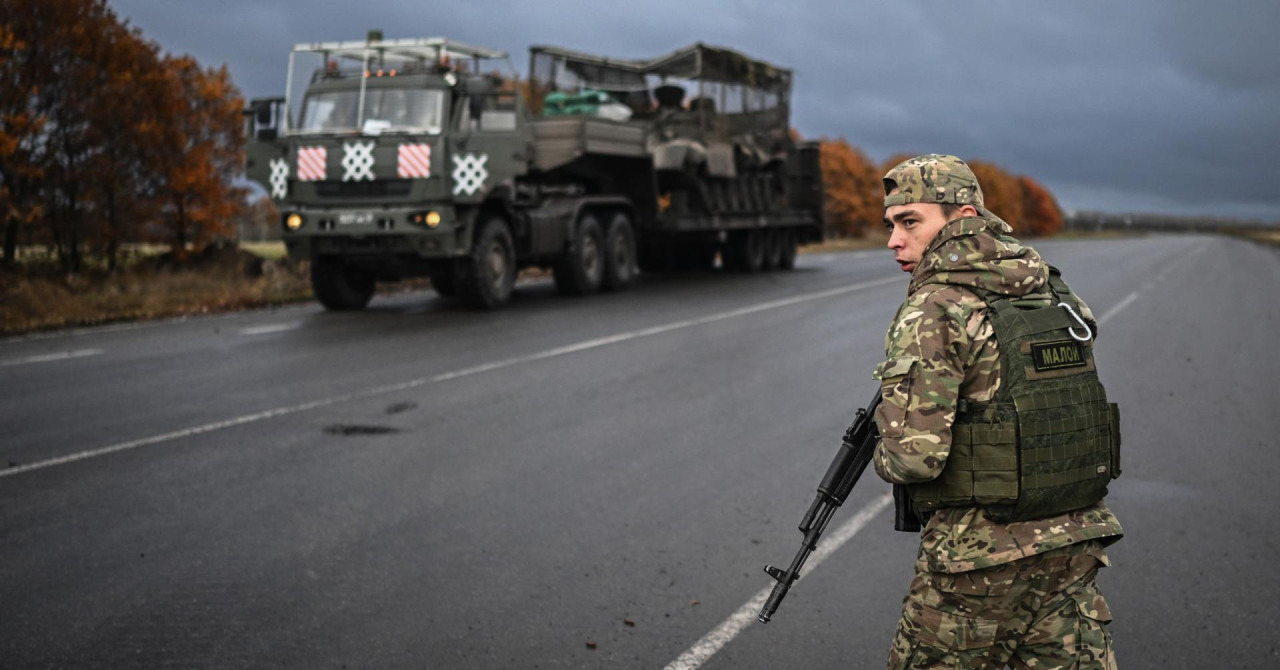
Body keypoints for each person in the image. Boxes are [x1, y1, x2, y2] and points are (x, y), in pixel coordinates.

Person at [872, 155, 1123, 668]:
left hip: (977, 560)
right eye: (891, 224)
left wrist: (884, 445)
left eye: (910, 221)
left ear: (961, 216)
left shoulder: (937, 306)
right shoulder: (1053, 288)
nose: (893, 240)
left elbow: (913, 460)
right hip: (1073, 542)